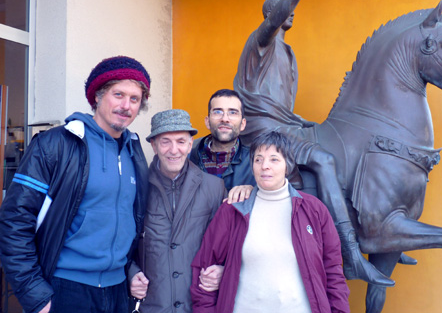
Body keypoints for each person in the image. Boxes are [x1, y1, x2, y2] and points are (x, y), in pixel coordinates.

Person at [233, 0, 393, 286]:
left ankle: (375, 229)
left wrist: (300, 121)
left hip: (284, 125)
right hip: (263, 131)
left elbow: (279, 105)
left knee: (336, 147)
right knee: (321, 159)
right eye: (280, 9)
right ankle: (350, 252)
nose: (287, 13)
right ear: (270, 16)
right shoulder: (259, 43)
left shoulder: (287, 53)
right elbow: (276, 19)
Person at [0, 56, 151, 313]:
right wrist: (35, 295)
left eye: (134, 99)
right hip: (65, 289)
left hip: (117, 291)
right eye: (118, 94)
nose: (126, 105)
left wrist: (129, 269)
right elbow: (15, 220)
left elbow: (126, 223)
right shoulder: (55, 144)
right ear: (98, 96)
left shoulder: (134, 151)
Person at [191, 131, 350, 313]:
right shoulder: (232, 210)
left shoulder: (314, 210)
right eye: (258, 159)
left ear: (287, 166)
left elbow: (333, 271)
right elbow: (204, 269)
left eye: (274, 159)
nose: (265, 166)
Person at [129, 109, 226, 313]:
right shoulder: (135, 188)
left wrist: (222, 269)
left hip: (198, 306)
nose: (174, 150)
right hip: (152, 306)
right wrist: (131, 273)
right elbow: (121, 242)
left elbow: (226, 246)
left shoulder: (214, 188)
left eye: (181, 141)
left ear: (190, 145)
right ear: (154, 145)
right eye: (165, 142)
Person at [189, 89, 256, 192]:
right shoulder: (187, 156)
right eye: (218, 112)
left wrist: (255, 191)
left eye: (233, 112)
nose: (225, 119)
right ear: (207, 121)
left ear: (242, 124)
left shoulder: (255, 161)